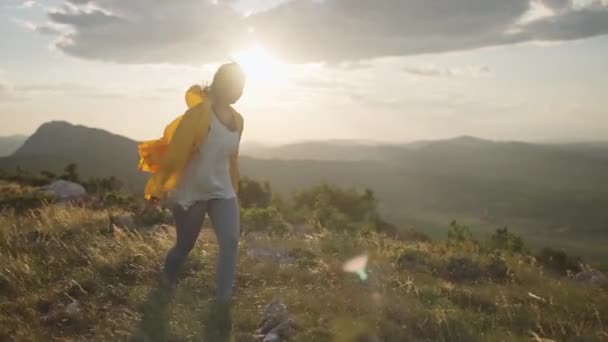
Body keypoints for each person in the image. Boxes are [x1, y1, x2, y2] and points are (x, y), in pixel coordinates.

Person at [137, 62, 246, 339]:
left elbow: (230, 160)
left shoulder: (238, 120)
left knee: (231, 243)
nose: (241, 91)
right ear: (222, 85)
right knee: (184, 247)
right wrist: (157, 193)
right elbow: (175, 156)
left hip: (222, 192)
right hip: (192, 192)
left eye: (243, 86)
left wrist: (235, 188)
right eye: (237, 85)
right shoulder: (198, 116)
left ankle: (222, 304)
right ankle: (165, 282)